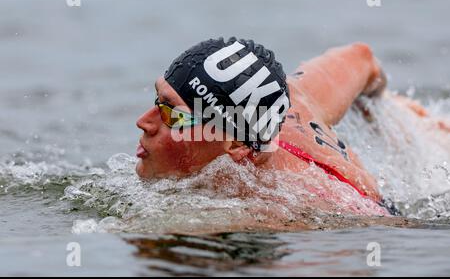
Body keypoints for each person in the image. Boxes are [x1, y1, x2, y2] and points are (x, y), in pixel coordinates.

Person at [135, 37, 447, 208]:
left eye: (170, 113)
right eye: (157, 99)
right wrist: (392, 115)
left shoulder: (286, 205)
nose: (143, 122)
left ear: (235, 144)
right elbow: (360, 57)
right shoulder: (289, 100)